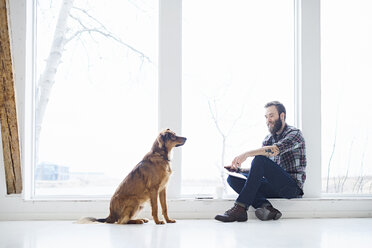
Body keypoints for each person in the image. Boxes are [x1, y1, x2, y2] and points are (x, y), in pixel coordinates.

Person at [215, 101, 306, 222]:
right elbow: (260, 169)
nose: (268, 120)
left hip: (291, 188)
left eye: (271, 115)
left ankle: (240, 208)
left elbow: (274, 150)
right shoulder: (268, 139)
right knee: (232, 179)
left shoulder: (294, 134)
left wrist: (246, 154)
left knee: (259, 158)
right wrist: (239, 170)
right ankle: (266, 207)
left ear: (282, 116)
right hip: (273, 186)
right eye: (266, 117)